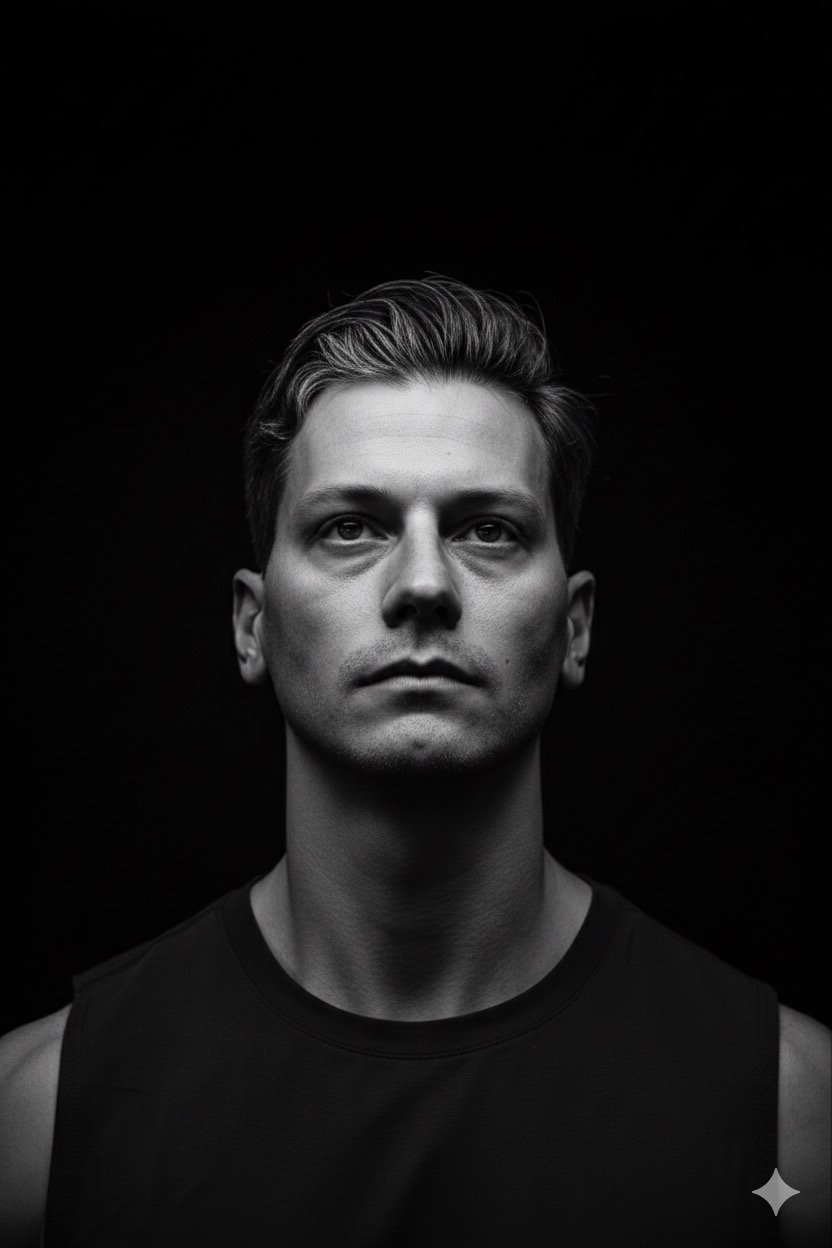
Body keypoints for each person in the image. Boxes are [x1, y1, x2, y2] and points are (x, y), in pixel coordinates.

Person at [1, 278, 828, 1247]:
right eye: (350, 527)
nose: (425, 584)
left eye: (489, 529)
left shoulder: (789, 1109)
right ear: (252, 624)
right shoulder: (42, 1118)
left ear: (574, 625)